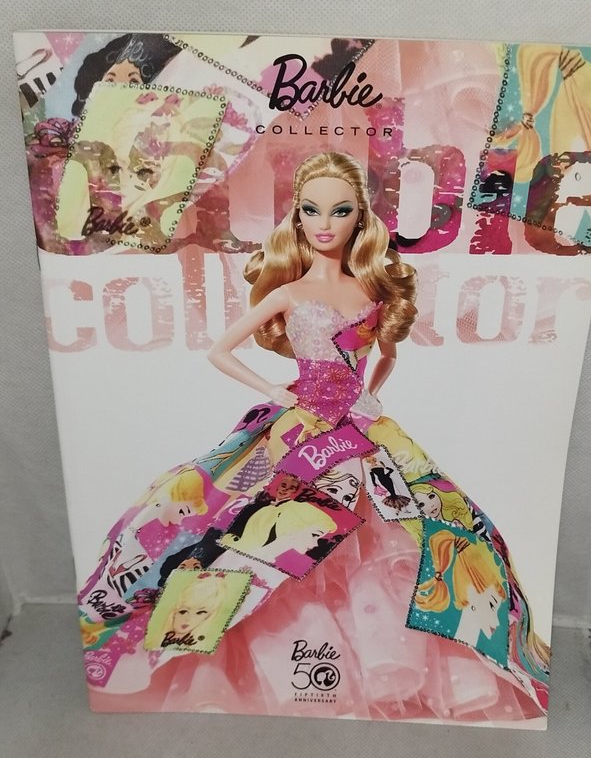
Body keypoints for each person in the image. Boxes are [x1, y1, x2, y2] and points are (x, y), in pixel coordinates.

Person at [81, 152, 549, 722]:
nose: (324, 223)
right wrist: (275, 392)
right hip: (299, 426)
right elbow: (220, 351)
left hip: (361, 428)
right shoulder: (289, 293)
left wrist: (369, 397)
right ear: (297, 217)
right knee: (263, 527)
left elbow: (388, 357)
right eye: (311, 210)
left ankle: (395, 657)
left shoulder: (372, 292)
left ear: (361, 219)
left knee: (407, 526)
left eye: (340, 211)